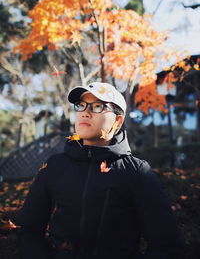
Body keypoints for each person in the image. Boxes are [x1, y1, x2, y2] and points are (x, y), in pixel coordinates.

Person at [16, 82, 183, 259]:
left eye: (97, 106)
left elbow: (165, 244)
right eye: (81, 105)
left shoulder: (137, 172)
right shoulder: (54, 166)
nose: (85, 112)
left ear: (118, 121)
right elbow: (28, 230)